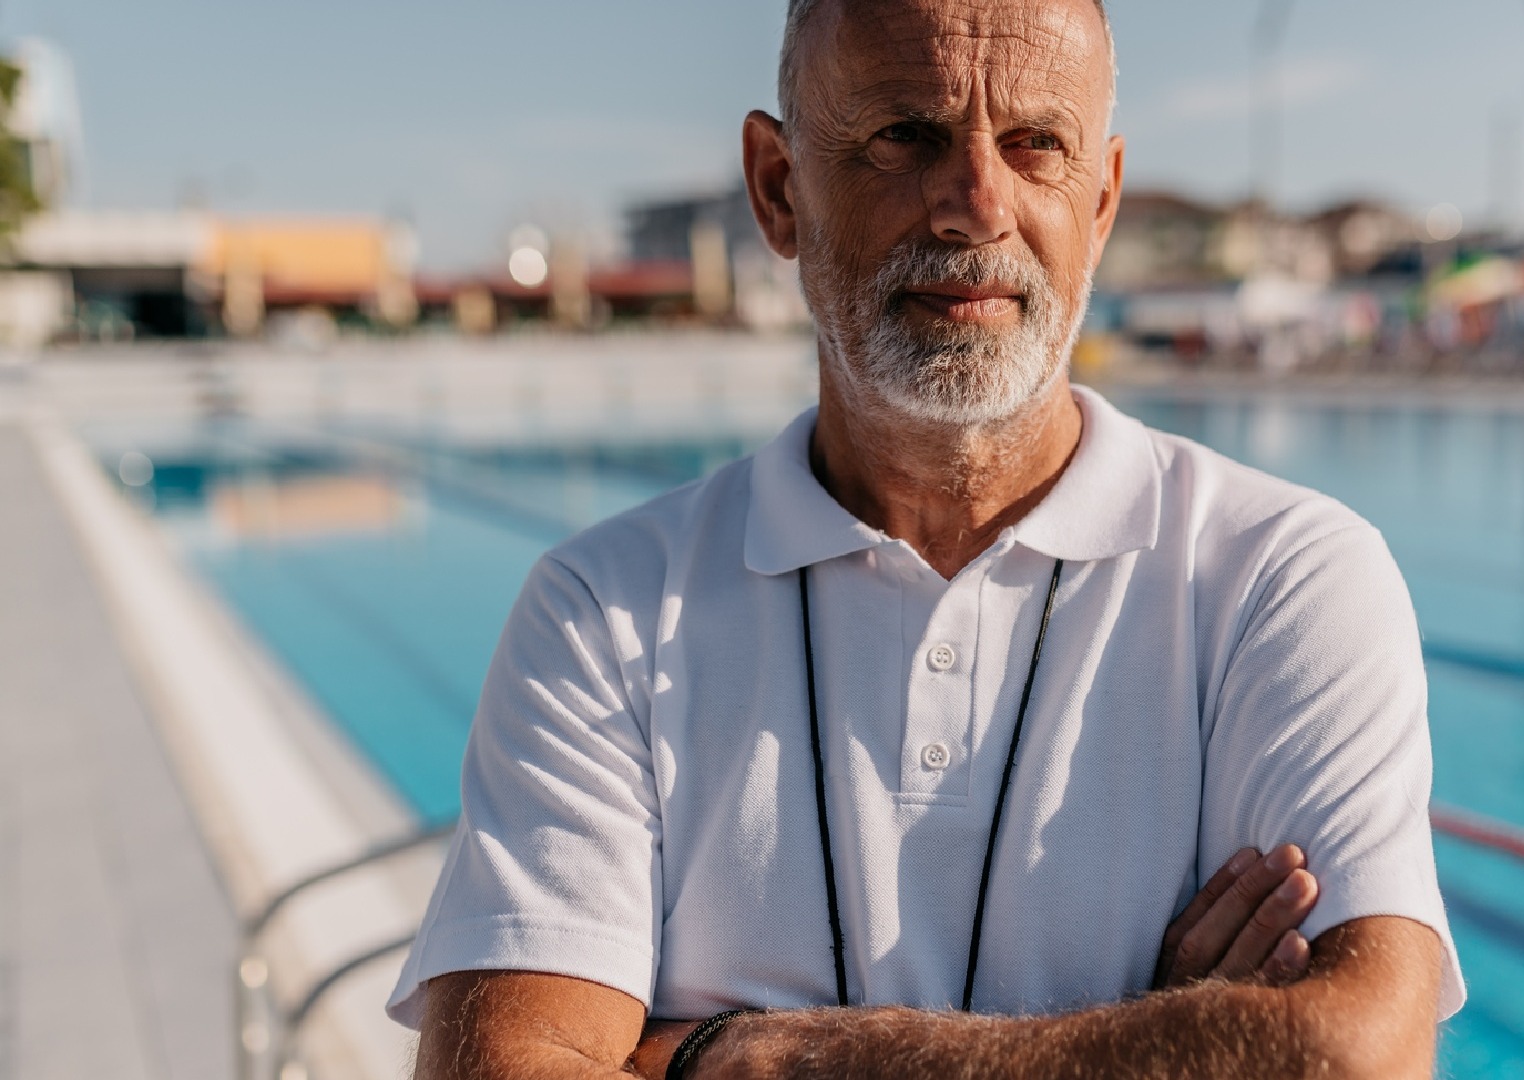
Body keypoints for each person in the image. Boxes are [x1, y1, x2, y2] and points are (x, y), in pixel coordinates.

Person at [393, 0, 1464, 1075]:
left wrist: (763, 1058)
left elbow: (1353, 1055)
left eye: (1036, 144)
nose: (976, 207)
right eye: (906, 136)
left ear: (1100, 201)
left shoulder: (1282, 577)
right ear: (778, 191)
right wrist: (1171, 1042)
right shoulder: (604, 610)